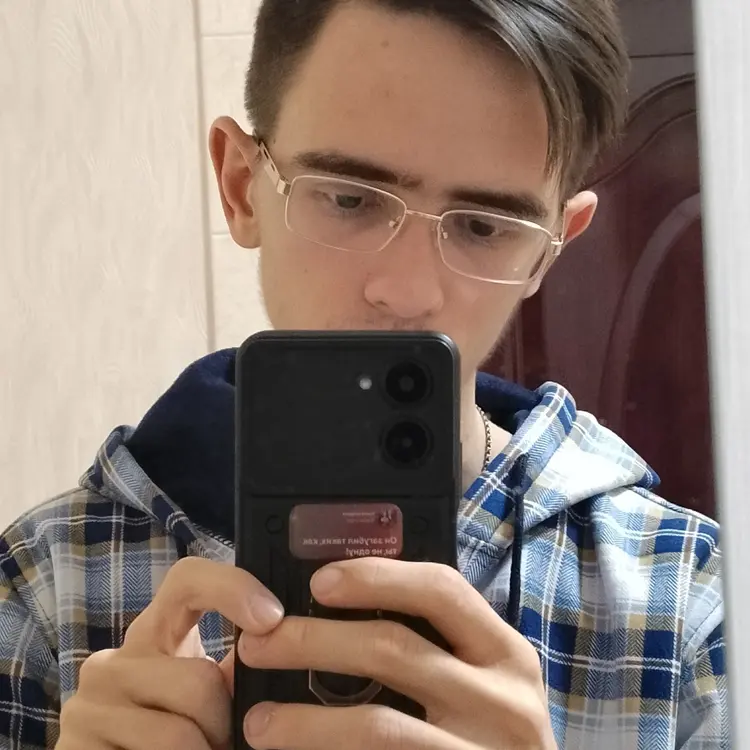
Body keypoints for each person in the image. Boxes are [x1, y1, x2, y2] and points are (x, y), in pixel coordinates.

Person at [0, 0, 727, 748]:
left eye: (484, 226)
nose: (405, 291)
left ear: (549, 249)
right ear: (242, 186)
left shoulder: (688, 602)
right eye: (349, 199)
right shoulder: (44, 586)